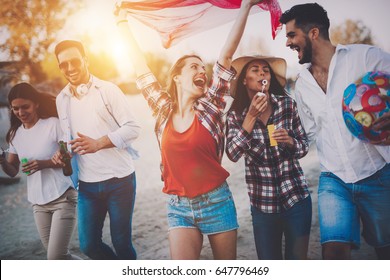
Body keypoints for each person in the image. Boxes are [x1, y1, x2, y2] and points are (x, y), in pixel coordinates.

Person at [116, 0, 264, 260]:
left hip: (217, 203)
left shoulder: (210, 107)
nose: (202, 71)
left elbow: (226, 57)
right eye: (193, 67)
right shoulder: (163, 110)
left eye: (203, 68)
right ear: (176, 77)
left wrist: (246, 6)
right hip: (178, 207)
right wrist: (121, 24)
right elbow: (140, 67)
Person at [280, 3, 390, 259]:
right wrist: (289, 141)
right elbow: (307, 135)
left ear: (314, 33)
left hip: (377, 175)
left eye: (291, 35)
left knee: (385, 250)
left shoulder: (365, 57)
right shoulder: (302, 84)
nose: (287, 43)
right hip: (333, 180)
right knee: (333, 252)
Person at [51, 40, 141, 260]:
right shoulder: (61, 99)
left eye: (75, 61)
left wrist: (98, 143)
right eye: (64, 64)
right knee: (89, 246)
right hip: (87, 186)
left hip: (120, 180)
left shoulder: (108, 90)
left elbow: (133, 128)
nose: (70, 68)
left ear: (86, 60)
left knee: (121, 243)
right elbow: (67, 136)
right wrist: (62, 151)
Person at [225, 55, 312, 259]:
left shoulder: (286, 105)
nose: (262, 72)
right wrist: (251, 116)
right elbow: (232, 153)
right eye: (255, 69)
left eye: (265, 69)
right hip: (263, 206)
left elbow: (303, 147)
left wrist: (290, 142)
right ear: (244, 80)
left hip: (296, 199)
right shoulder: (236, 116)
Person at [0, 83, 80, 260]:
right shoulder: (15, 134)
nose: (21, 113)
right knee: (59, 259)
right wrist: (2, 161)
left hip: (63, 197)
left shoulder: (54, 125)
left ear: (36, 103)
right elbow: (13, 171)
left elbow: (67, 159)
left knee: (55, 257)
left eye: (25, 107)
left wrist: (42, 164)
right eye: (15, 109)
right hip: (38, 204)